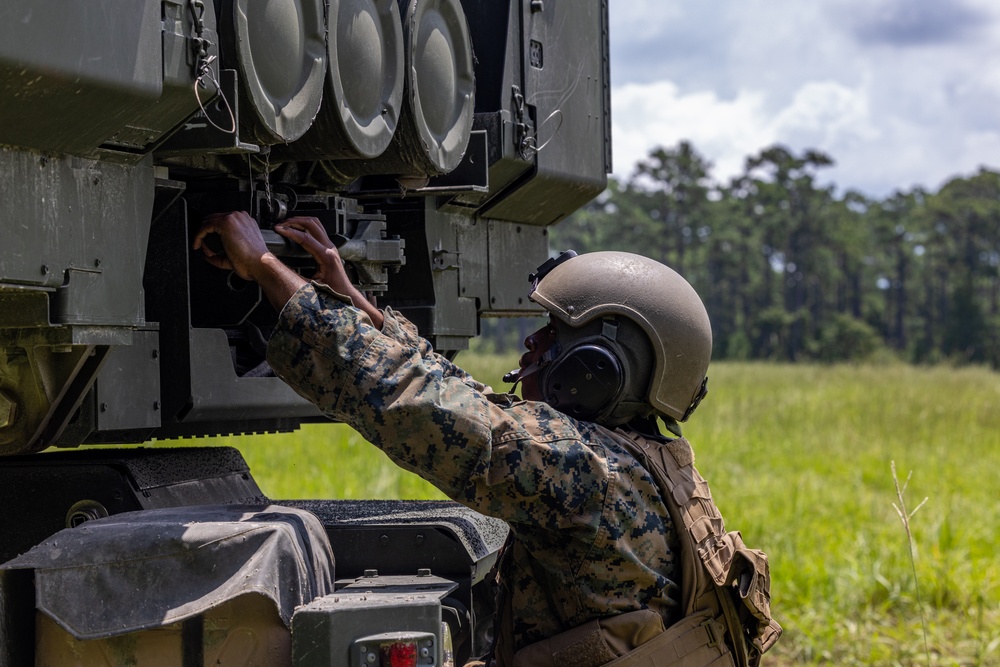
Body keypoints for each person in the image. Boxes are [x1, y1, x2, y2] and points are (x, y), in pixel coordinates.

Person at [193, 212, 746, 666]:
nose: (532, 342)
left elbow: (417, 405)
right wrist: (352, 300)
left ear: (600, 368)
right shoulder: (647, 459)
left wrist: (264, 266)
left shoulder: (583, 470)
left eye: (553, 334)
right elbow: (472, 405)